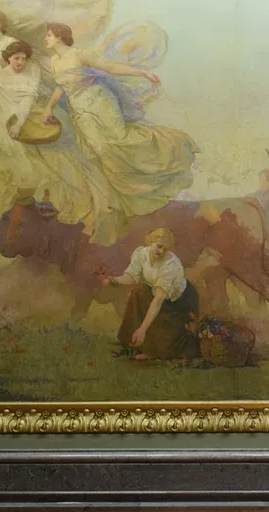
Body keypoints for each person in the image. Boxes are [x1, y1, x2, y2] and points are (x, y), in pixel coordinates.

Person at [38, 21, 198, 237]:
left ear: (59, 36)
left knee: (119, 141)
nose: (46, 38)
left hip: (99, 101)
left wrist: (142, 73)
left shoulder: (79, 54)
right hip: (80, 109)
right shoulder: (55, 61)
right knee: (100, 153)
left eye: (49, 35)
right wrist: (49, 108)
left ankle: (169, 147)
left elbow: (110, 68)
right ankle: (118, 200)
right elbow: (61, 87)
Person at [99, 228, 201, 362]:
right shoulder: (141, 254)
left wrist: (143, 329)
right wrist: (114, 279)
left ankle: (153, 350)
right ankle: (132, 341)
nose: (161, 252)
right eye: (159, 246)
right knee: (138, 290)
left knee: (158, 318)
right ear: (151, 241)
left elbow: (158, 300)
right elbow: (131, 277)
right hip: (156, 292)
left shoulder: (170, 265)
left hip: (179, 302)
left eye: (165, 249)